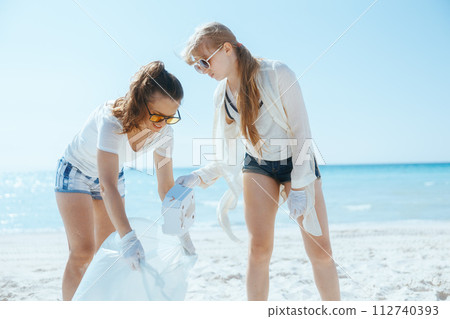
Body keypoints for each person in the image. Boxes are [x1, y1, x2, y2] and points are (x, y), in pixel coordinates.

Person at [176, 22, 340, 300]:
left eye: (205, 61)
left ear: (227, 49)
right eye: (197, 66)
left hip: (296, 162)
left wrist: (299, 187)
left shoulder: (277, 73)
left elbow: (302, 133)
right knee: (259, 250)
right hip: (257, 165)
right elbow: (226, 152)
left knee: (321, 251)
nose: (203, 70)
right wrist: (200, 176)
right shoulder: (222, 94)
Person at [54, 61, 183, 300]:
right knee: (83, 252)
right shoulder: (112, 121)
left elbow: (166, 186)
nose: (162, 124)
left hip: (113, 173)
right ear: (139, 103)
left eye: (170, 117)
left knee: (107, 254)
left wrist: (181, 229)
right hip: (77, 171)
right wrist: (129, 237)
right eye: (156, 116)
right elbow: (107, 186)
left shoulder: (165, 134)